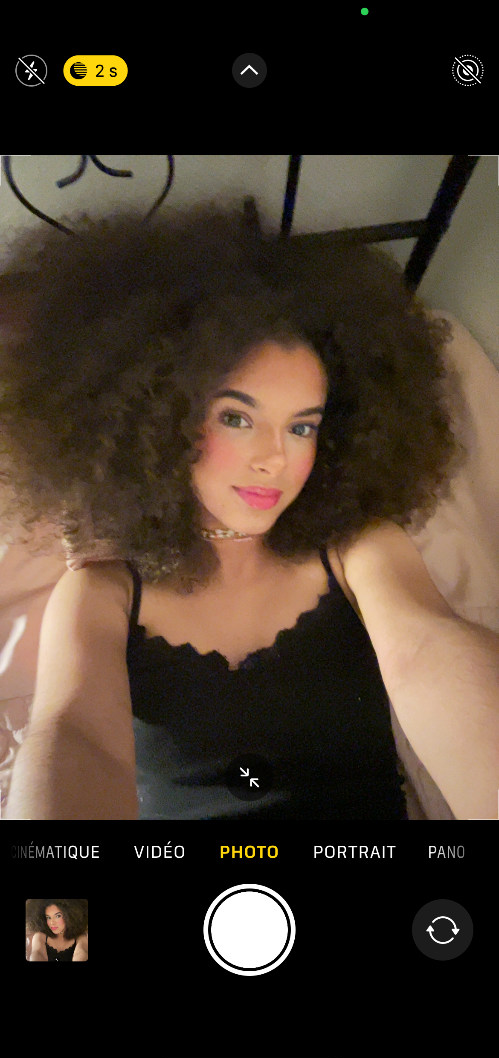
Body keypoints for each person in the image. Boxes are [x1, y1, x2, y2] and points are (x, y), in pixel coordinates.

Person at [0, 201, 466, 819]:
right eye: (237, 418)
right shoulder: (102, 592)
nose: (274, 458)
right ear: (158, 418)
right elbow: (76, 736)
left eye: (302, 427)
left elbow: (429, 650)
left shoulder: (358, 551)